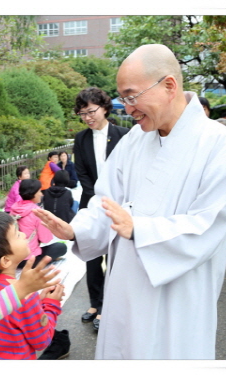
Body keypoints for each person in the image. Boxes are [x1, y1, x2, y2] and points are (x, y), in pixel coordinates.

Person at [34, 44, 226, 359]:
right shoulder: (134, 140)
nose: (127, 108)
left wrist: (140, 230)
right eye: (122, 98)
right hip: (124, 287)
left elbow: (211, 223)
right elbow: (106, 202)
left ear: (169, 86)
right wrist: (77, 231)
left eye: (132, 96)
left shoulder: (219, 144)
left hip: (178, 295)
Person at [0, 211, 67, 360]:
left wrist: (37, 304)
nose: (23, 235)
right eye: (17, 234)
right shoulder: (25, 296)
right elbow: (42, 340)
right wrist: (51, 304)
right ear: (6, 260)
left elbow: (13, 317)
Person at [72, 86, 129, 331]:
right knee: (93, 257)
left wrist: (111, 198)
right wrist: (96, 196)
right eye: (83, 114)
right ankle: (96, 303)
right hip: (91, 202)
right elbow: (82, 172)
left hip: (118, 205)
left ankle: (111, 307)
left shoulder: (125, 135)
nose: (88, 117)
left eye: (91, 111)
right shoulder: (80, 139)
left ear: (104, 108)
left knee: (117, 257)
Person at [10, 179, 67, 268]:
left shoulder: (13, 209)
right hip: (29, 259)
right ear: (33, 193)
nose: (42, 194)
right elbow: (46, 239)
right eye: (39, 191)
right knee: (61, 247)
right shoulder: (37, 212)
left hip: (14, 258)